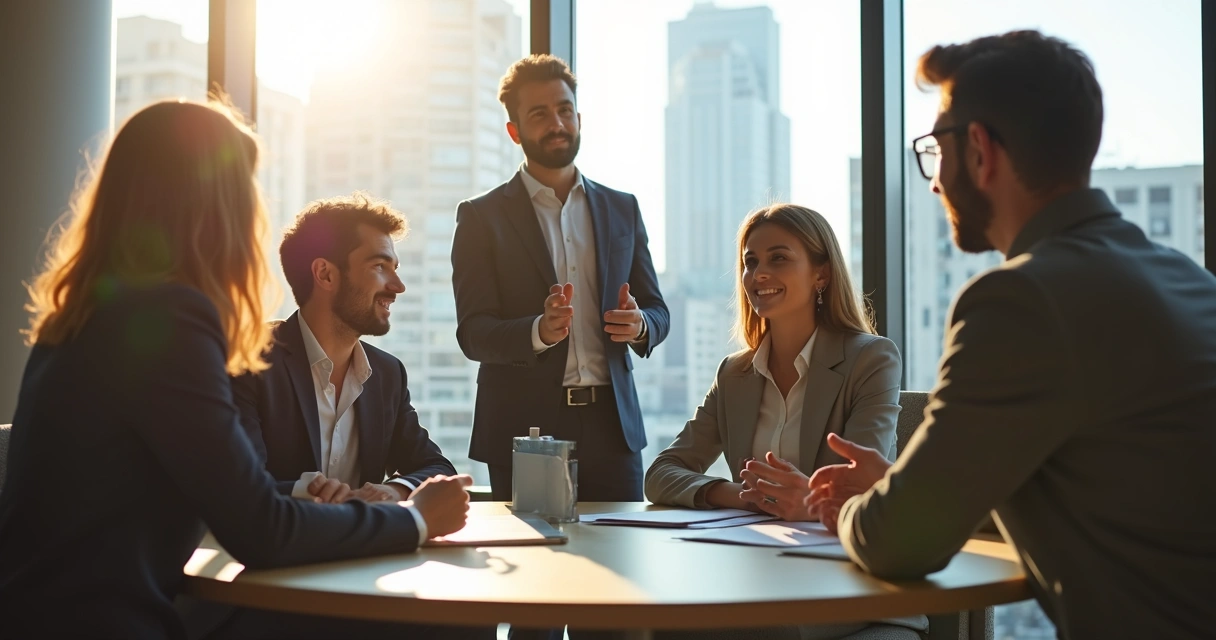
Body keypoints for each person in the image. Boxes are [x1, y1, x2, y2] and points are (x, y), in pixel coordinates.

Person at [0, 99, 485, 640]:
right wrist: (415, 519)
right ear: (214, 204)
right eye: (247, 189)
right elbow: (261, 527)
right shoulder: (171, 321)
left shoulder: (84, 315)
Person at [807, 30, 1216, 639]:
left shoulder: (1021, 300)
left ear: (979, 150)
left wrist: (850, 511)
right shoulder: (1187, 277)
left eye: (935, 148)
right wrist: (900, 488)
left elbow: (895, 545)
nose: (935, 180)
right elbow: (1107, 494)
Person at [646, 204, 924, 640]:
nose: (758, 274)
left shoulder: (870, 359)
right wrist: (737, 495)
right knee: (657, 626)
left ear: (821, 274)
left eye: (778, 258)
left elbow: (865, 481)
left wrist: (809, 498)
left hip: (851, 585)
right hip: (757, 579)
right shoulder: (734, 374)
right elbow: (661, 473)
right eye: (750, 262)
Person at [451, 54, 669, 503]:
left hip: (614, 429)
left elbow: (658, 309)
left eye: (564, 110)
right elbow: (474, 333)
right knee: (536, 565)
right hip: (525, 431)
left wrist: (640, 324)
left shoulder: (622, 208)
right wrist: (538, 331)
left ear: (579, 117)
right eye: (539, 114)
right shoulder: (480, 217)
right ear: (514, 131)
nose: (557, 123)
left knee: (621, 563)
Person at [231, 193, 456, 510]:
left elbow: (437, 468)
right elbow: (238, 483)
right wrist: (309, 492)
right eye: (379, 266)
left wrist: (395, 490)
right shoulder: (248, 359)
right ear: (325, 274)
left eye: (395, 268)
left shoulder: (386, 373)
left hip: (364, 553)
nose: (398, 286)